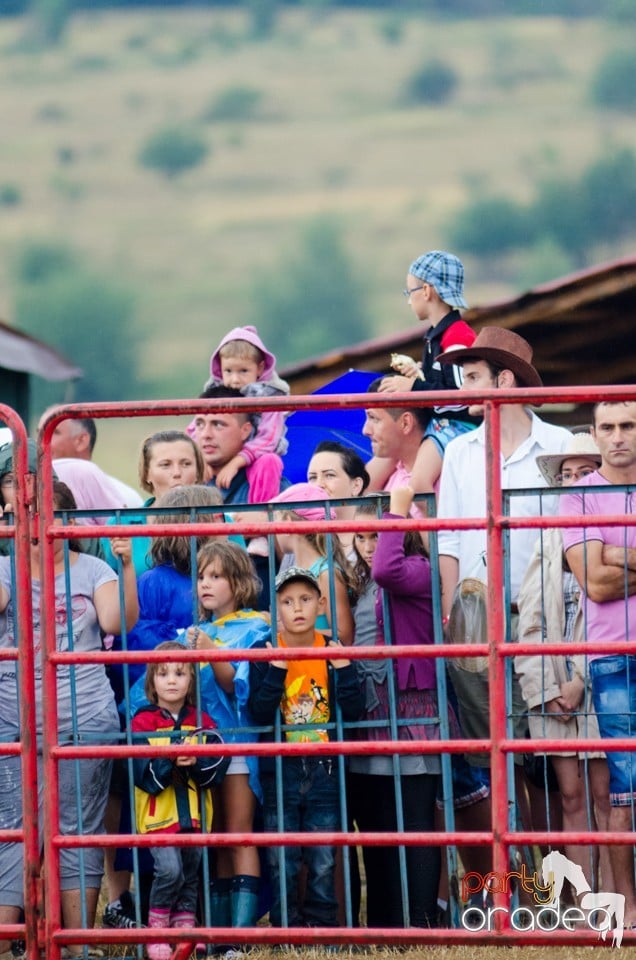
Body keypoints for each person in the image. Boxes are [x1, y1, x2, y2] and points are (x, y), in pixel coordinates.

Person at [436, 326, 572, 874]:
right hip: (475, 618)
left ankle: (562, 884)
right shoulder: (459, 453)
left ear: (504, 379)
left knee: (551, 761)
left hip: (546, 618)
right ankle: (517, 888)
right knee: (496, 759)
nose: (462, 387)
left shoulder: (563, 446)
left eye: (472, 376)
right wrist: (451, 622)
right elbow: (448, 538)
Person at [0, 480, 138, 957]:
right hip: (14, 718)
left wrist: (125, 564)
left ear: (66, 519)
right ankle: (10, 939)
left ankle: (75, 944)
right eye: (19, 511)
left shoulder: (94, 569)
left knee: (78, 828)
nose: (33, 522)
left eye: (41, 511)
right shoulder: (4, 568)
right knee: (15, 826)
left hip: (86, 715)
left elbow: (118, 623)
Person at [348, 487, 456, 928]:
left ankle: (422, 922)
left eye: (378, 533)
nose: (370, 544)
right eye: (361, 537)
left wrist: (397, 508)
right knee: (376, 828)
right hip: (370, 714)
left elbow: (388, 568)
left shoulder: (417, 570)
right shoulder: (364, 583)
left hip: (413, 713)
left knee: (414, 825)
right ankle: (385, 926)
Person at [515, 432, 613, 890]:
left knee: (605, 796)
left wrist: (580, 680)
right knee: (570, 797)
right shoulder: (545, 541)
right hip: (553, 682)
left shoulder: (615, 529)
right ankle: (586, 902)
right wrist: (548, 689)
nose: (576, 481)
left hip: (599, 678)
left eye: (585, 472)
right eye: (568, 475)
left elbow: (615, 616)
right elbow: (529, 617)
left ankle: (619, 900)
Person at [248, 567, 362, 928]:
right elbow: (258, 713)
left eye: (306, 599)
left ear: (321, 604)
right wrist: (276, 671)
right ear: (275, 609)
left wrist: (343, 670)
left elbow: (355, 711)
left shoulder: (332, 650)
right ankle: (286, 928)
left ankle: (324, 928)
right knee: (283, 856)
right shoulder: (264, 649)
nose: (297, 608)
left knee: (323, 855)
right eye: (287, 601)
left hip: (325, 766)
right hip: (279, 768)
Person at [561, 400, 636, 925]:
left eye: (627, 425)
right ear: (593, 434)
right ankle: (628, 906)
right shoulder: (578, 494)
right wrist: (605, 561)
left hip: (613, 652)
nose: (617, 437)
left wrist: (615, 552)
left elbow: (608, 568)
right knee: (623, 785)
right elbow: (595, 583)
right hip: (613, 655)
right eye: (606, 427)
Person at [186, 541, 270, 931]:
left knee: (239, 832)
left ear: (238, 583)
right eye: (202, 576)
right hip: (204, 745)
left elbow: (240, 689)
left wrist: (211, 651)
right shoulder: (197, 630)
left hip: (236, 743)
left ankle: (242, 933)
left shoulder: (255, 627)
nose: (206, 584)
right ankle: (219, 933)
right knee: (217, 835)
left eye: (216, 576)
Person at [132, 640, 228, 960]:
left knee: (191, 872)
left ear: (190, 681)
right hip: (160, 815)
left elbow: (217, 764)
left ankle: (185, 929)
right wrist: (170, 759)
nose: (171, 680)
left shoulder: (201, 720)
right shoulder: (142, 721)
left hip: (196, 814)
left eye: (179, 673)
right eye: (163, 674)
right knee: (170, 870)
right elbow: (138, 771)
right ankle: (158, 929)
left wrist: (196, 760)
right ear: (152, 681)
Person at [370, 250, 479, 498]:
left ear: (427, 291)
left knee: (418, 484)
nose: (409, 300)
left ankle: (441, 536)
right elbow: (442, 384)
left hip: (457, 425)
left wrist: (413, 387)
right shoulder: (437, 336)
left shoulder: (457, 338)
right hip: (441, 423)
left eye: (410, 292)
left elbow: (463, 397)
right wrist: (418, 375)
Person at [199, 324, 290, 495]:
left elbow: (268, 439)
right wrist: (198, 457)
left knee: (270, 461)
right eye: (228, 371)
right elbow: (195, 428)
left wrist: (236, 462)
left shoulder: (270, 397)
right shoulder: (216, 394)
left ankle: (261, 513)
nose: (235, 380)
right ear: (220, 368)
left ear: (260, 369)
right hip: (220, 454)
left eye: (243, 371)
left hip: (255, 458)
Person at [101, 430, 205, 576]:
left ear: (198, 472)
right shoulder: (118, 525)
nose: (177, 472)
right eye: (165, 465)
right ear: (147, 473)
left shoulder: (220, 521)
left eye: (186, 464)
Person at [270, 483, 355, 646]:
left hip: (321, 668)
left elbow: (345, 635)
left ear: (288, 522)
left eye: (275, 519)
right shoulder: (292, 569)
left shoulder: (326, 574)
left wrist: (294, 631)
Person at [40, 409, 144, 508]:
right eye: (40, 433)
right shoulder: (31, 489)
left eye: (53, 432)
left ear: (81, 441)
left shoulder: (128, 498)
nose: (41, 441)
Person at [362, 380, 430, 517]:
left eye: (374, 418)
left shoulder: (445, 476)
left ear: (405, 423)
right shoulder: (388, 472)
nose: (365, 430)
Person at [306, 441, 370, 558]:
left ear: (356, 486)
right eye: (313, 478)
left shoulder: (378, 536)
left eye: (329, 475)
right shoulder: (301, 538)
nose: (318, 484)